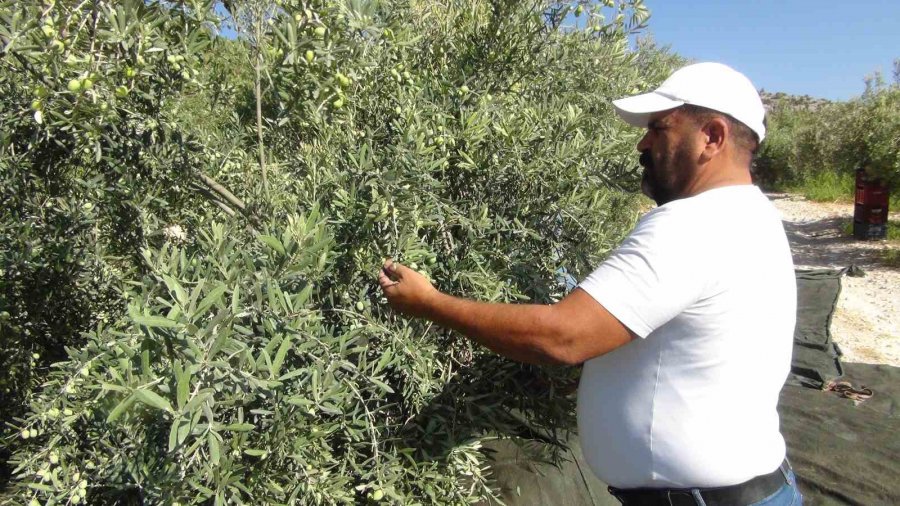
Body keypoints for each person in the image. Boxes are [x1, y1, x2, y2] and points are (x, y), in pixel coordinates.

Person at [377, 62, 802, 506]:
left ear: (711, 137)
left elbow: (563, 336)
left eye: (659, 128)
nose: (643, 143)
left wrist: (429, 303)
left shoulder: (693, 225)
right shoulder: (751, 216)